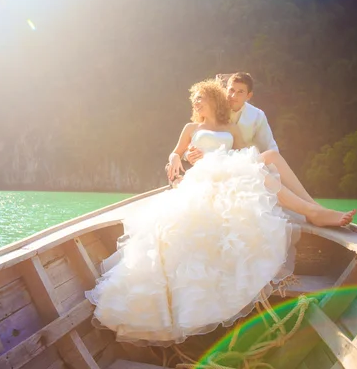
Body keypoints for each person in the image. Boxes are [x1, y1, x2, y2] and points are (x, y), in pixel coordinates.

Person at [85, 79, 302, 347]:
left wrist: (219, 160)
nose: (196, 102)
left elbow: (245, 156)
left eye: (201, 97)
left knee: (239, 213)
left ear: (213, 98)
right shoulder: (191, 128)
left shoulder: (231, 128)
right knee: (175, 229)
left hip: (224, 177)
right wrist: (178, 157)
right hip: (199, 177)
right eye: (194, 99)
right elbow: (176, 152)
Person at [172, 72, 355, 226]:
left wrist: (256, 164)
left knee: (272, 156)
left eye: (240, 92)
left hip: (232, 160)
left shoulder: (252, 117)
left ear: (249, 95)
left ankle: (316, 208)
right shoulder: (202, 119)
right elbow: (187, 144)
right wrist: (184, 155)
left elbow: (251, 148)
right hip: (211, 169)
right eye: (230, 90)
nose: (233, 96)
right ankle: (312, 212)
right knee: (256, 171)